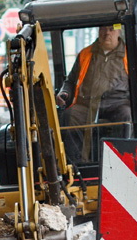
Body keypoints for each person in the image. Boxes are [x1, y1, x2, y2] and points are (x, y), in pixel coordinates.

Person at [56, 23, 131, 164]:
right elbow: (71, 81)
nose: (107, 33)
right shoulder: (86, 54)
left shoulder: (130, 54)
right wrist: (64, 92)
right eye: (103, 29)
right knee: (70, 115)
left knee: (127, 116)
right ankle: (75, 165)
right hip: (88, 104)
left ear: (119, 31)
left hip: (117, 104)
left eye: (111, 29)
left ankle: (122, 162)